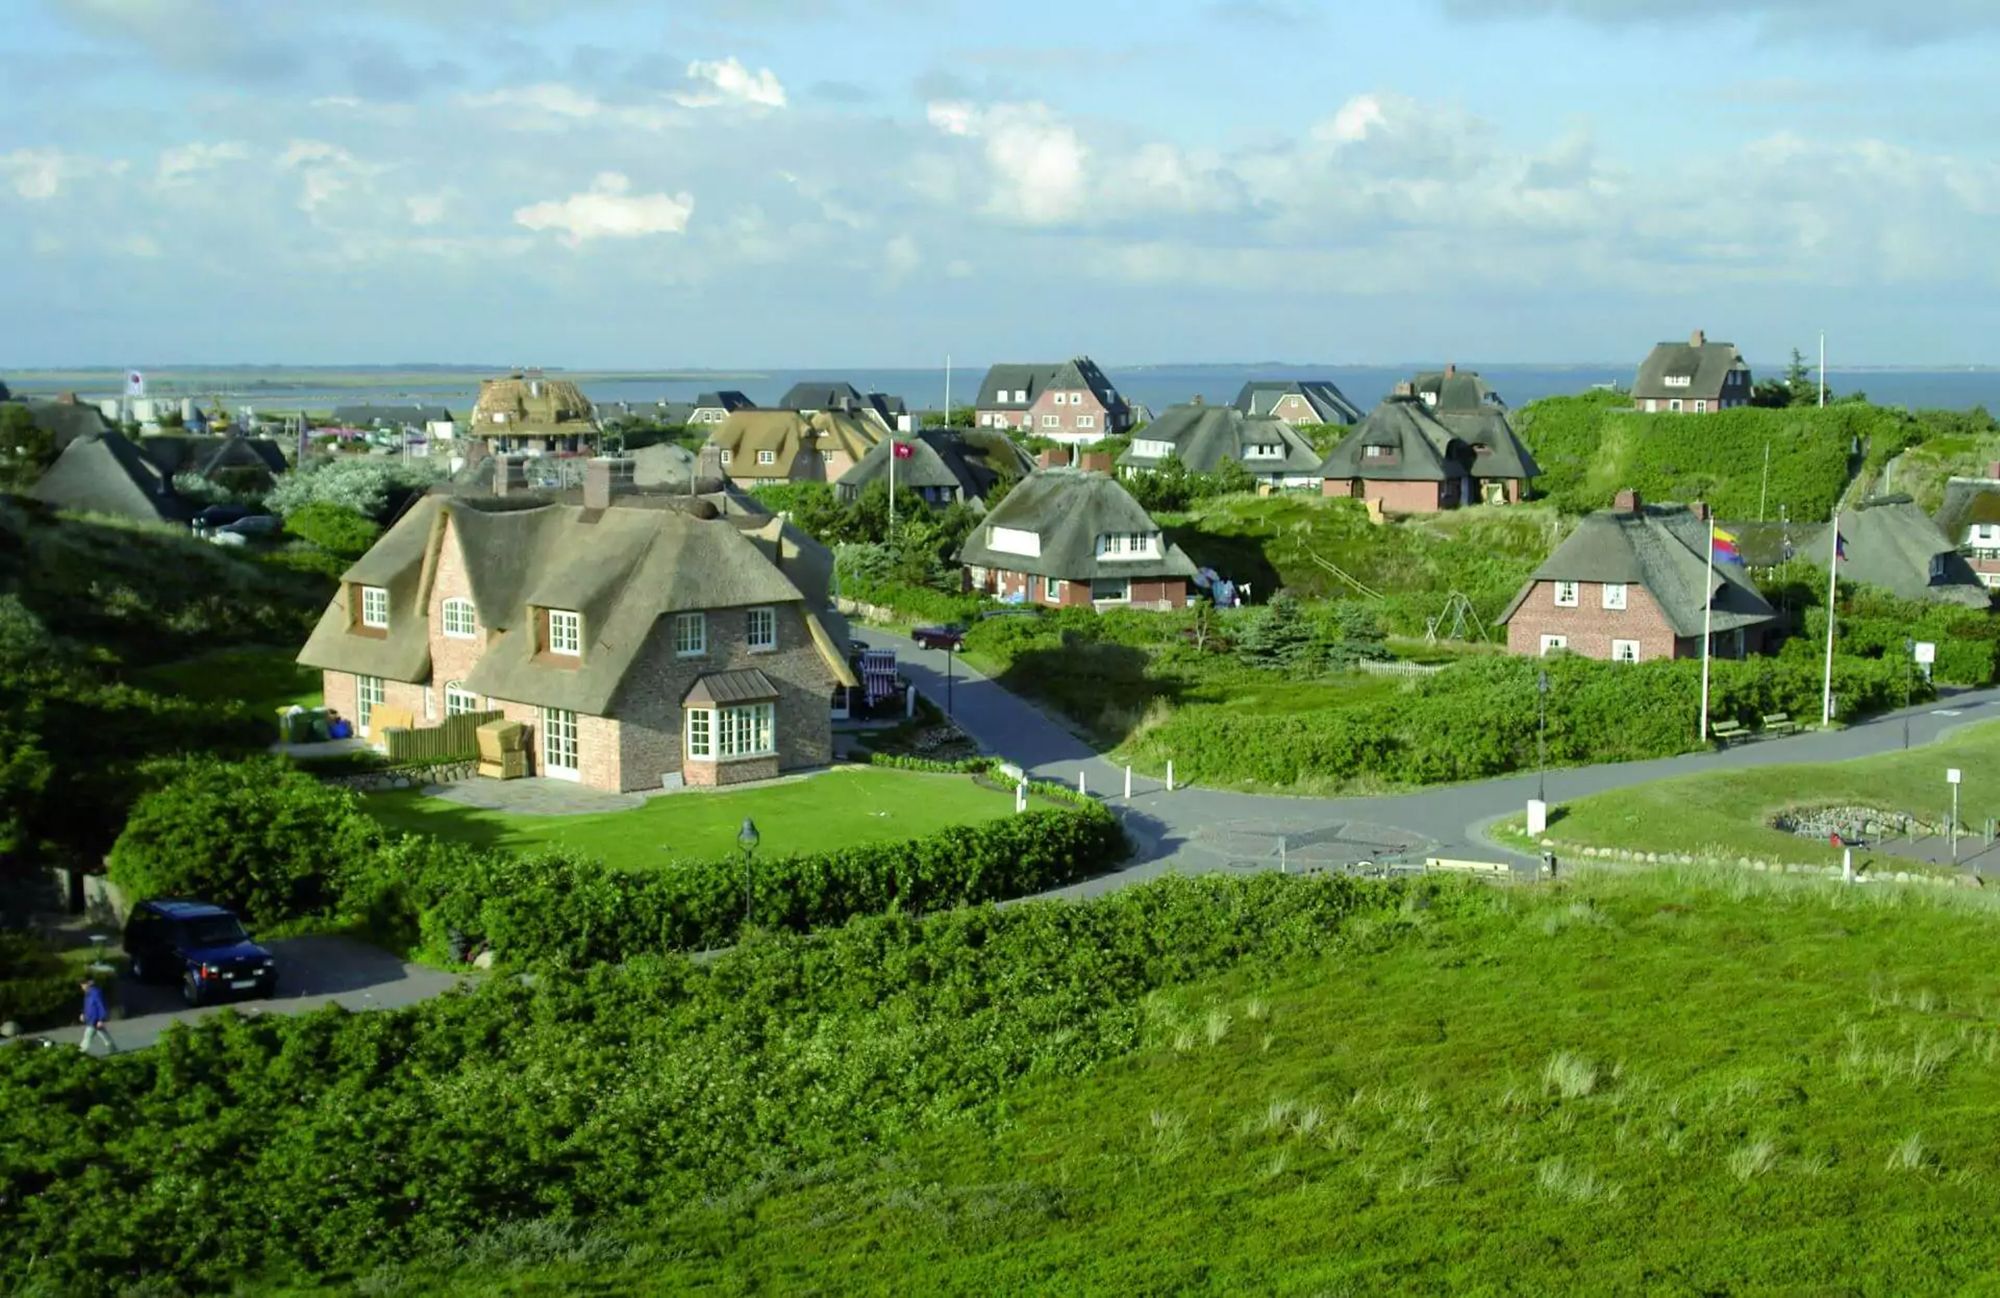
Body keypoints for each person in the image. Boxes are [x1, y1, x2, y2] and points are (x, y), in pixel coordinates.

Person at [78, 977, 114, 1056]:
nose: (82, 987)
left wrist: (101, 1019)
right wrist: (83, 1013)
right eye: (81, 985)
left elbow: (100, 1005)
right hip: (91, 1019)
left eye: (84, 984)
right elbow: (88, 1006)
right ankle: (113, 1048)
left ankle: (80, 1052)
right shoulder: (88, 993)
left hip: (95, 1019)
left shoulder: (95, 993)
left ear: (89, 983)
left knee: (87, 1036)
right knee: (103, 1034)